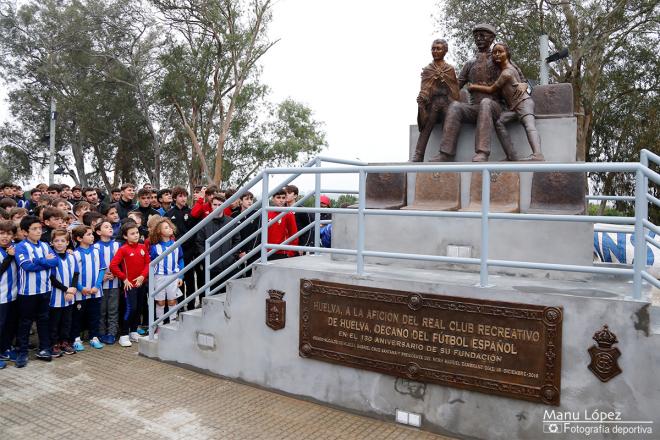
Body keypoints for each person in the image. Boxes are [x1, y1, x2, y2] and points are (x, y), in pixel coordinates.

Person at [433, 23, 526, 162]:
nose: (479, 38)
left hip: (495, 107)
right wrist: (439, 92)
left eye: (483, 35)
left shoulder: (498, 59)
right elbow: (456, 85)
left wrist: (523, 85)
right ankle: (446, 153)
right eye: (476, 36)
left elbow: (521, 78)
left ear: (492, 38)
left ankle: (482, 152)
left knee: (486, 103)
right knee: (455, 107)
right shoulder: (470, 64)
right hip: (474, 107)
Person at [468, 42, 544, 161]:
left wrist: (474, 87)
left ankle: (538, 154)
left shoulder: (507, 72)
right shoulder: (502, 69)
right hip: (513, 107)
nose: (497, 55)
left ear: (507, 54)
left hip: (523, 102)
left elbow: (491, 89)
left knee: (529, 126)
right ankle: (511, 155)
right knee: (500, 122)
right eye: (494, 52)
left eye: (500, 52)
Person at [14, 216, 59, 367]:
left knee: (44, 320)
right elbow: (27, 266)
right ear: (25, 232)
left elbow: (55, 262)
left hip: (45, 290)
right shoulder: (21, 246)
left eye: (39, 228)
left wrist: (38, 261)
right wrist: (44, 261)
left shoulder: (45, 245)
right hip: (27, 293)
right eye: (34, 229)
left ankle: (45, 348)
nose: (38, 231)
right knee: (25, 322)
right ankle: (22, 352)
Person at [411, 39, 460, 162]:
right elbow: (425, 88)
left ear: (445, 51)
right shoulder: (428, 69)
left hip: (447, 102)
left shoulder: (450, 69)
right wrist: (423, 97)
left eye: (438, 49)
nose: (435, 51)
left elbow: (455, 91)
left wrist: (444, 82)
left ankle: (446, 154)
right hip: (432, 103)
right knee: (427, 124)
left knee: (448, 120)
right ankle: (418, 154)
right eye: (433, 49)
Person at [109, 223, 150, 347]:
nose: (136, 235)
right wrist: (124, 278)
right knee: (130, 308)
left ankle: (133, 331)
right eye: (132, 233)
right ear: (125, 236)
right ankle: (124, 334)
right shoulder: (123, 249)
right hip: (129, 286)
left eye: (137, 232)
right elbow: (113, 266)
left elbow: (148, 264)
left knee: (138, 308)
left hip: (141, 283)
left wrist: (143, 276)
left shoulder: (143, 247)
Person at [195, 195, 240, 297]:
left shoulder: (231, 222)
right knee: (209, 298)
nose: (217, 207)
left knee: (229, 297)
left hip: (228, 267)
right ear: (211, 206)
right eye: (215, 204)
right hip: (211, 268)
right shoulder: (204, 223)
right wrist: (207, 259)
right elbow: (199, 243)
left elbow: (237, 240)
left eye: (220, 204)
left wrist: (231, 257)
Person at [70, 225, 105, 351]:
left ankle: (94, 337)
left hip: (96, 291)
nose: (92, 236)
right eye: (89, 234)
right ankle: (76, 339)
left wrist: (97, 285)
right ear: (79, 238)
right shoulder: (75, 254)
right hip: (80, 293)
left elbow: (102, 269)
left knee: (95, 315)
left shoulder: (97, 251)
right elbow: (73, 274)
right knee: (78, 316)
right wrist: (81, 287)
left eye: (92, 234)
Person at [165, 186, 200, 310]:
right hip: (175, 252)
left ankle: (190, 305)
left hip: (190, 250)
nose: (183, 198)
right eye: (180, 196)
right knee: (178, 280)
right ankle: (179, 307)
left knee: (190, 279)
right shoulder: (169, 214)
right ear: (174, 198)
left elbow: (195, 231)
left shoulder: (191, 212)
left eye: (185, 195)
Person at [48, 229, 78, 356]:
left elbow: (76, 274)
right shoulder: (51, 258)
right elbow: (52, 278)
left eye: (62, 241)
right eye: (56, 241)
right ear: (52, 243)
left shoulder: (72, 257)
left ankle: (64, 342)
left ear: (67, 243)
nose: (59, 243)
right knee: (54, 321)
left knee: (67, 321)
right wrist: (66, 289)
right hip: (56, 296)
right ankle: (54, 343)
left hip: (69, 295)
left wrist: (72, 289)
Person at [149, 218, 184, 322]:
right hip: (159, 277)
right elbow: (151, 263)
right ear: (159, 231)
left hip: (173, 276)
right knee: (160, 302)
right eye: (166, 227)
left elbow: (181, 260)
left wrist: (180, 276)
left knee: (172, 301)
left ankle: (172, 321)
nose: (169, 229)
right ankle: (159, 323)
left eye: (169, 226)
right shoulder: (155, 248)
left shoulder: (176, 244)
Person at [94, 220, 121, 345]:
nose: (110, 228)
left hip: (115, 283)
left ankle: (112, 333)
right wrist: (102, 276)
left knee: (113, 310)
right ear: (99, 232)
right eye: (106, 227)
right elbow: (93, 266)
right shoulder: (95, 247)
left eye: (111, 227)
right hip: (100, 285)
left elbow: (121, 262)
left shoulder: (117, 245)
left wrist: (116, 273)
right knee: (101, 310)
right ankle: (100, 333)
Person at [0, 220, 18, 368]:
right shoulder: (9, 253)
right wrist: (10, 257)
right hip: (1, 297)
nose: (5, 237)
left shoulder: (14, 248)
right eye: (2, 233)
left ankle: (5, 348)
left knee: (9, 325)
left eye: (9, 234)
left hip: (13, 295)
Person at [267, 188, 298, 260]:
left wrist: (290, 252)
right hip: (267, 250)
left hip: (282, 252)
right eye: (278, 197)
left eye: (283, 198)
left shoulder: (288, 214)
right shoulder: (267, 212)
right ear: (273, 199)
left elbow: (293, 234)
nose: (281, 200)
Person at [284, 185, 312, 251]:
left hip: (298, 246)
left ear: (295, 196)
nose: (286, 195)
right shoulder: (280, 209)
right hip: (283, 245)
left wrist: (303, 246)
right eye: (285, 193)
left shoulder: (302, 210)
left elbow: (309, 229)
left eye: (289, 193)